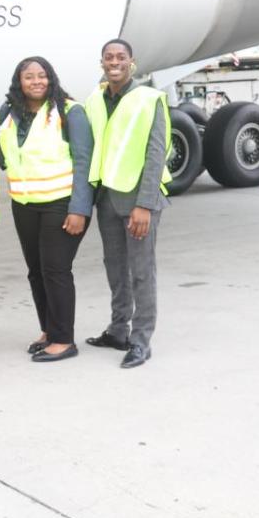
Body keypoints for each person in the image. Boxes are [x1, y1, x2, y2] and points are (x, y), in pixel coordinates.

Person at [0, 56, 95, 363]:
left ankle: (64, 340)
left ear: (51, 78)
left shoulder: (69, 111)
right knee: (36, 271)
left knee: (55, 269)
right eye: (29, 77)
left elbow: (83, 162)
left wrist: (79, 209)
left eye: (42, 76)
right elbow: (1, 152)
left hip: (61, 203)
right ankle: (48, 330)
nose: (36, 81)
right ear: (19, 82)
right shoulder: (9, 112)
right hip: (25, 203)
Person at [84, 39, 172, 369]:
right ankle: (118, 330)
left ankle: (141, 340)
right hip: (107, 198)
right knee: (116, 270)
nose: (115, 62)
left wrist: (145, 205)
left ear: (131, 62)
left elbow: (155, 154)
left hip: (138, 201)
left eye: (121, 57)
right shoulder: (96, 99)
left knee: (141, 272)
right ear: (102, 62)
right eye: (109, 57)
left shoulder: (150, 99)